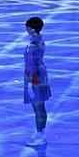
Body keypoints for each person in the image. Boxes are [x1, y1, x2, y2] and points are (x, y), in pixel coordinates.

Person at [23, 17, 52, 147]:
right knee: (39, 106)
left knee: (38, 106)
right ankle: (40, 132)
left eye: (28, 27)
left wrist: (30, 81)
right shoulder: (38, 40)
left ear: (32, 28)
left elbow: (31, 64)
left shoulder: (34, 44)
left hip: (35, 77)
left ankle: (40, 134)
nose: (26, 29)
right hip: (40, 74)